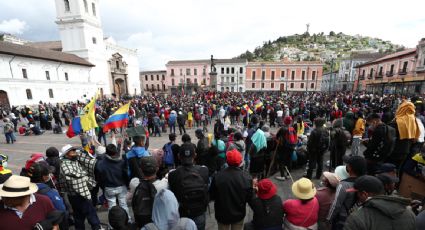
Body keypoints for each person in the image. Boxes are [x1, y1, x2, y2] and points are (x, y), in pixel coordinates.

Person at [344, 175, 416, 230]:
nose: (356, 197)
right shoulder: (409, 214)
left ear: (364, 194)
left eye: (357, 193)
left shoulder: (358, 218)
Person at [57, 144, 102, 230]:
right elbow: (75, 179)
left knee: (79, 217)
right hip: (79, 195)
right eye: (72, 151)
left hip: (77, 195)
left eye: (74, 150)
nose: (75, 152)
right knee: (90, 215)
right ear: (66, 154)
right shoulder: (65, 165)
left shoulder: (74, 160)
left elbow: (89, 161)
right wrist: (87, 178)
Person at [168, 142, 209, 230]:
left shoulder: (172, 174)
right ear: (195, 156)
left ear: (179, 156)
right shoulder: (204, 170)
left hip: (183, 213)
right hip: (199, 212)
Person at [210, 149, 253, 230]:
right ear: (240, 161)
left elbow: (212, 196)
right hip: (238, 214)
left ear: (227, 160)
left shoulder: (218, 176)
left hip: (222, 215)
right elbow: (249, 197)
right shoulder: (247, 177)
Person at [327, 156, 367, 230]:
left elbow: (336, 205)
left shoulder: (343, 185)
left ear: (350, 168)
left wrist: (328, 219)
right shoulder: (365, 182)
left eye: (347, 164)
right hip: (357, 217)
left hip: (342, 220)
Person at [95, 144, 131, 222]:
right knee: (123, 205)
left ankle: (113, 224)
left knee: (112, 207)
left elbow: (99, 179)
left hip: (109, 187)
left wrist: (103, 187)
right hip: (121, 186)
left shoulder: (101, 164)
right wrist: (128, 185)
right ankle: (128, 221)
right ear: (115, 152)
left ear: (106, 153)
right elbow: (126, 175)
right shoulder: (122, 162)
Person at [28, 162, 69, 230]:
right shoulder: (50, 193)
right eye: (48, 173)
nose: (50, 175)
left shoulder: (24, 190)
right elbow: (61, 210)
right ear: (44, 177)